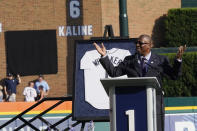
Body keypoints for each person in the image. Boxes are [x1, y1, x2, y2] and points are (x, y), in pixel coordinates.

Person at [93, 34, 186, 131]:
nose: (137, 45)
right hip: (135, 104)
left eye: (140, 43)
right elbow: (114, 72)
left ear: (150, 45)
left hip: (155, 105)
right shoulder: (129, 60)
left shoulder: (161, 60)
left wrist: (178, 60)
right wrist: (104, 56)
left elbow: (174, 75)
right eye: (136, 43)